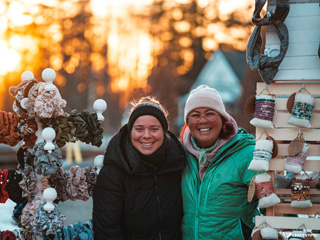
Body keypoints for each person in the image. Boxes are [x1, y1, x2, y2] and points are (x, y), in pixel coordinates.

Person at [93, 96, 187, 240]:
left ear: (164, 132)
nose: (147, 135)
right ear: (130, 132)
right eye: (139, 129)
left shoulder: (177, 163)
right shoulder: (114, 172)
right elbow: (107, 231)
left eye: (154, 129)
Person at [180, 85, 259, 240]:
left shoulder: (247, 153)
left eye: (210, 113)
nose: (202, 120)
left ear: (223, 119)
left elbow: (273, 201)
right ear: (188, 122)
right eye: (195, 115)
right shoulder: (180, 155)